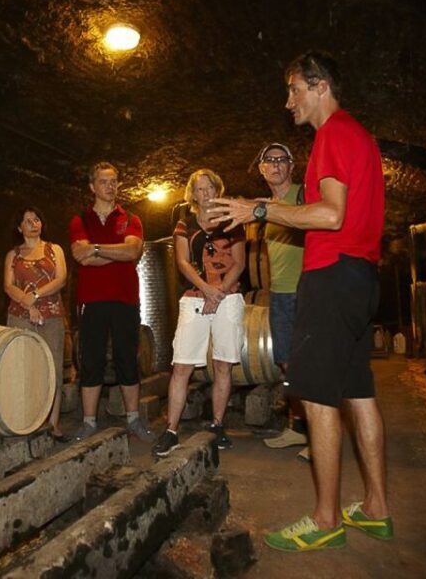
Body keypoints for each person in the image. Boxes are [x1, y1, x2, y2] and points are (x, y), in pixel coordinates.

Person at [211, 51, 390, 552]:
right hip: (362, 276)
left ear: (320, 87)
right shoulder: (362, 137)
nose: (288, 101)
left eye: (293, 90)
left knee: (315, 396)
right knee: (359, 393)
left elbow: (331, 216)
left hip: (332, 276)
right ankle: (376, 508)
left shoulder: (333, 134)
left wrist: (258, 208)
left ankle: (325, 517)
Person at [151, 169, 245, 457]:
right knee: (181, 366)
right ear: (193, 195)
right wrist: (206, 290)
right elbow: (182, 262)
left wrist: (219, 294)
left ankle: (217, 425)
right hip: (194, 298)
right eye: (200, 189)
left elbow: (239, 263)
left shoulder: (233, 222)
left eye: (210, 188)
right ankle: (171, 430)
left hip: (228, 299)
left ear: (218, 191)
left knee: (222, 365)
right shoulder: (185, 224)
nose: (205, 194)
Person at [69, 161, 155, 443]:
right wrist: (112, 253)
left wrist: (95, 249)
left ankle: (133, 420)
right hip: (92, 301)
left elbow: (132, 251)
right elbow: (80, 256)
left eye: (114, 181)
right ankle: (89, 422)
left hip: (125, 299)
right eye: (104, 181)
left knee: (127, 359)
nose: (111, 186)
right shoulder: (79, 220)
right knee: (90, 360)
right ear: (92, 186)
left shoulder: (131, 219)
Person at [254, 143, 309, 460]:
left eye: (282, 160)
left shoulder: (303, 194)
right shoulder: (265, 206)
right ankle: (298, 426)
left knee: (310, 363)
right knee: (286, 362)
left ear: (291, 167)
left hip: (307, 288)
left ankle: (319, 434)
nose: (275, 165)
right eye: (269, 161)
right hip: (280, 292)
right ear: (262, 170)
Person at [4, 206, 70, 442]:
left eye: (37, 219)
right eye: (27, 220)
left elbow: (61, 279)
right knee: (23, 368)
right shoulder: (13, 254)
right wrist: (27, 303)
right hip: (20, 315)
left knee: (52, 367)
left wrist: (36, 296)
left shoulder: (54, 250)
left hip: (51, 314)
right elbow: (8, 286)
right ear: (19, 227)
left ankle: (52, 424)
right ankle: (25, 421)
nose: (34, 223)